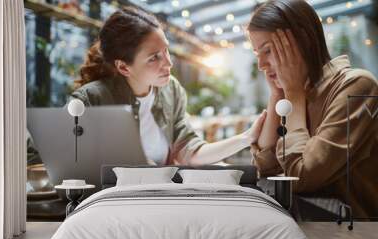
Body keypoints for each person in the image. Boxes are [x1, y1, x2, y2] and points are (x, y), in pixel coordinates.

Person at [71, 7, 266, 166]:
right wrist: (131, 164)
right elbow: (51, 158)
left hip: (159, 198)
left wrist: (246, 138)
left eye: (166, 51)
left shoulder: (171, 90)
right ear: (123, 67)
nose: (168, 63)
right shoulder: (91, 99)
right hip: (108, 204)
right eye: (154, 57)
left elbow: (189, 151)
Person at [246, 0, 378, 217]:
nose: (260, 64)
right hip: (310, 231)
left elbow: (300, 177)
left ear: (303, 41)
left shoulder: (357, 87)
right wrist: (277, 94)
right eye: (256, 53)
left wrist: (293, 93)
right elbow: (266, 169)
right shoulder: (298, 93)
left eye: (268, 50)